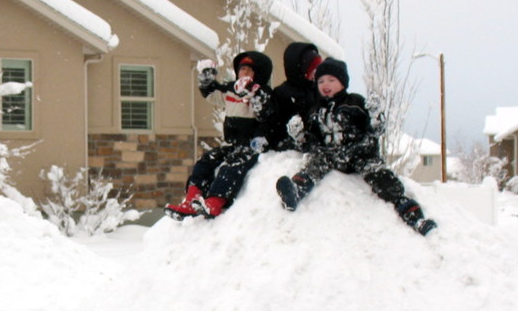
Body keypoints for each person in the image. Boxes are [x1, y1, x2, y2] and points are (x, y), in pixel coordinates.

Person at [274, 58, 438, 236]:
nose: (325, 85)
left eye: (331, 80)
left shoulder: (355, 103)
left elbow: (375, 131)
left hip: (359, 154)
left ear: (342, 83)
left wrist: (376, 117)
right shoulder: (316, 111)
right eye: (320, 81)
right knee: (315, 163)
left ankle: (413, 216)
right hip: (332, 156)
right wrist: (300, 136)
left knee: (382, 178)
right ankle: (296, 192)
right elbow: (312, 142)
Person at [165, 51, 279, 219]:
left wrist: (252, 93)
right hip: (233, 143)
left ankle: (215, 201)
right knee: (207, 160)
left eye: (250, 70)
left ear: (260, 74)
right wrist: (207, 80)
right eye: (242, 69)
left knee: (231, 167)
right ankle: (192, 198)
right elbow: (213, 95)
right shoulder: (231, 90)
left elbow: (266, 114)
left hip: (252, 145)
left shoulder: (263, 94)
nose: (245, 74)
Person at [267, 41, 324, 148]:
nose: (316, 73)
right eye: (313, 69)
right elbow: (274, 124)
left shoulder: (317, 91)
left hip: (314, 145)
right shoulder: (282, 93)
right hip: (288, 149)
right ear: (301, 69)